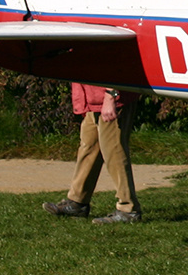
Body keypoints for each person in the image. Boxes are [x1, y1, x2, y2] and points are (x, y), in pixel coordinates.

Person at [43, 83, 141, 224]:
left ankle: (128, 209)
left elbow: (117, 65)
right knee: (89, 148)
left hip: (110, 99)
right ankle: (77, 202)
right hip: (94, 100)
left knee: (115, 153)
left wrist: (111, 96)